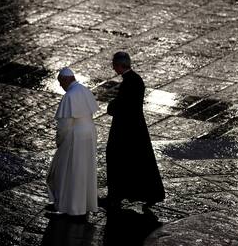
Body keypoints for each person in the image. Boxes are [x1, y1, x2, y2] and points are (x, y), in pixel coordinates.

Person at [105, 51, 165, 211]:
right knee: (139, 161)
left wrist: (111, 106)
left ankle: (115, 195)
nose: (113, 68)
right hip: (136, 127)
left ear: (118, 65)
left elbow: (122, 105)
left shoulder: (128, 83)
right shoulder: (136, 80)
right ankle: (142, 194)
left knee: (116, 157)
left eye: (114, 65)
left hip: (125, 128)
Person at [46, 67, 99, 217]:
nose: (61, 87)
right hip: (89, 133)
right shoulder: (84, 90)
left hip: (75, 135)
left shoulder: (69, 96)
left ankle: (68, 207)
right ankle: (84, 206)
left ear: (64, 80)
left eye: (60, 83)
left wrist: (59, 140)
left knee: (66, 172)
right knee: (84, 171)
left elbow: (64, 125)